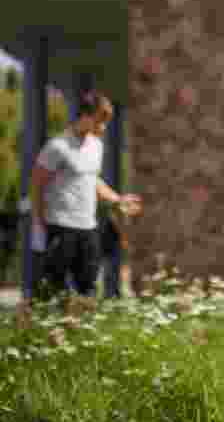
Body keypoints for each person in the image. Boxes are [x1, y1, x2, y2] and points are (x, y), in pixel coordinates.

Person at [29, 90, 142, 297]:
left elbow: (92, 181)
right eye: (101, 120)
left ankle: (80, 328)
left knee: (88, 288)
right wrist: (38, 225)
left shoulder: (96, 146)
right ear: (86, 116)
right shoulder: (57, 147)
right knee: (52, 291)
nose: (104, 127)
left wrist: (117, 199)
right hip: (59, 227)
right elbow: (37, 185)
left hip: (88, 228)